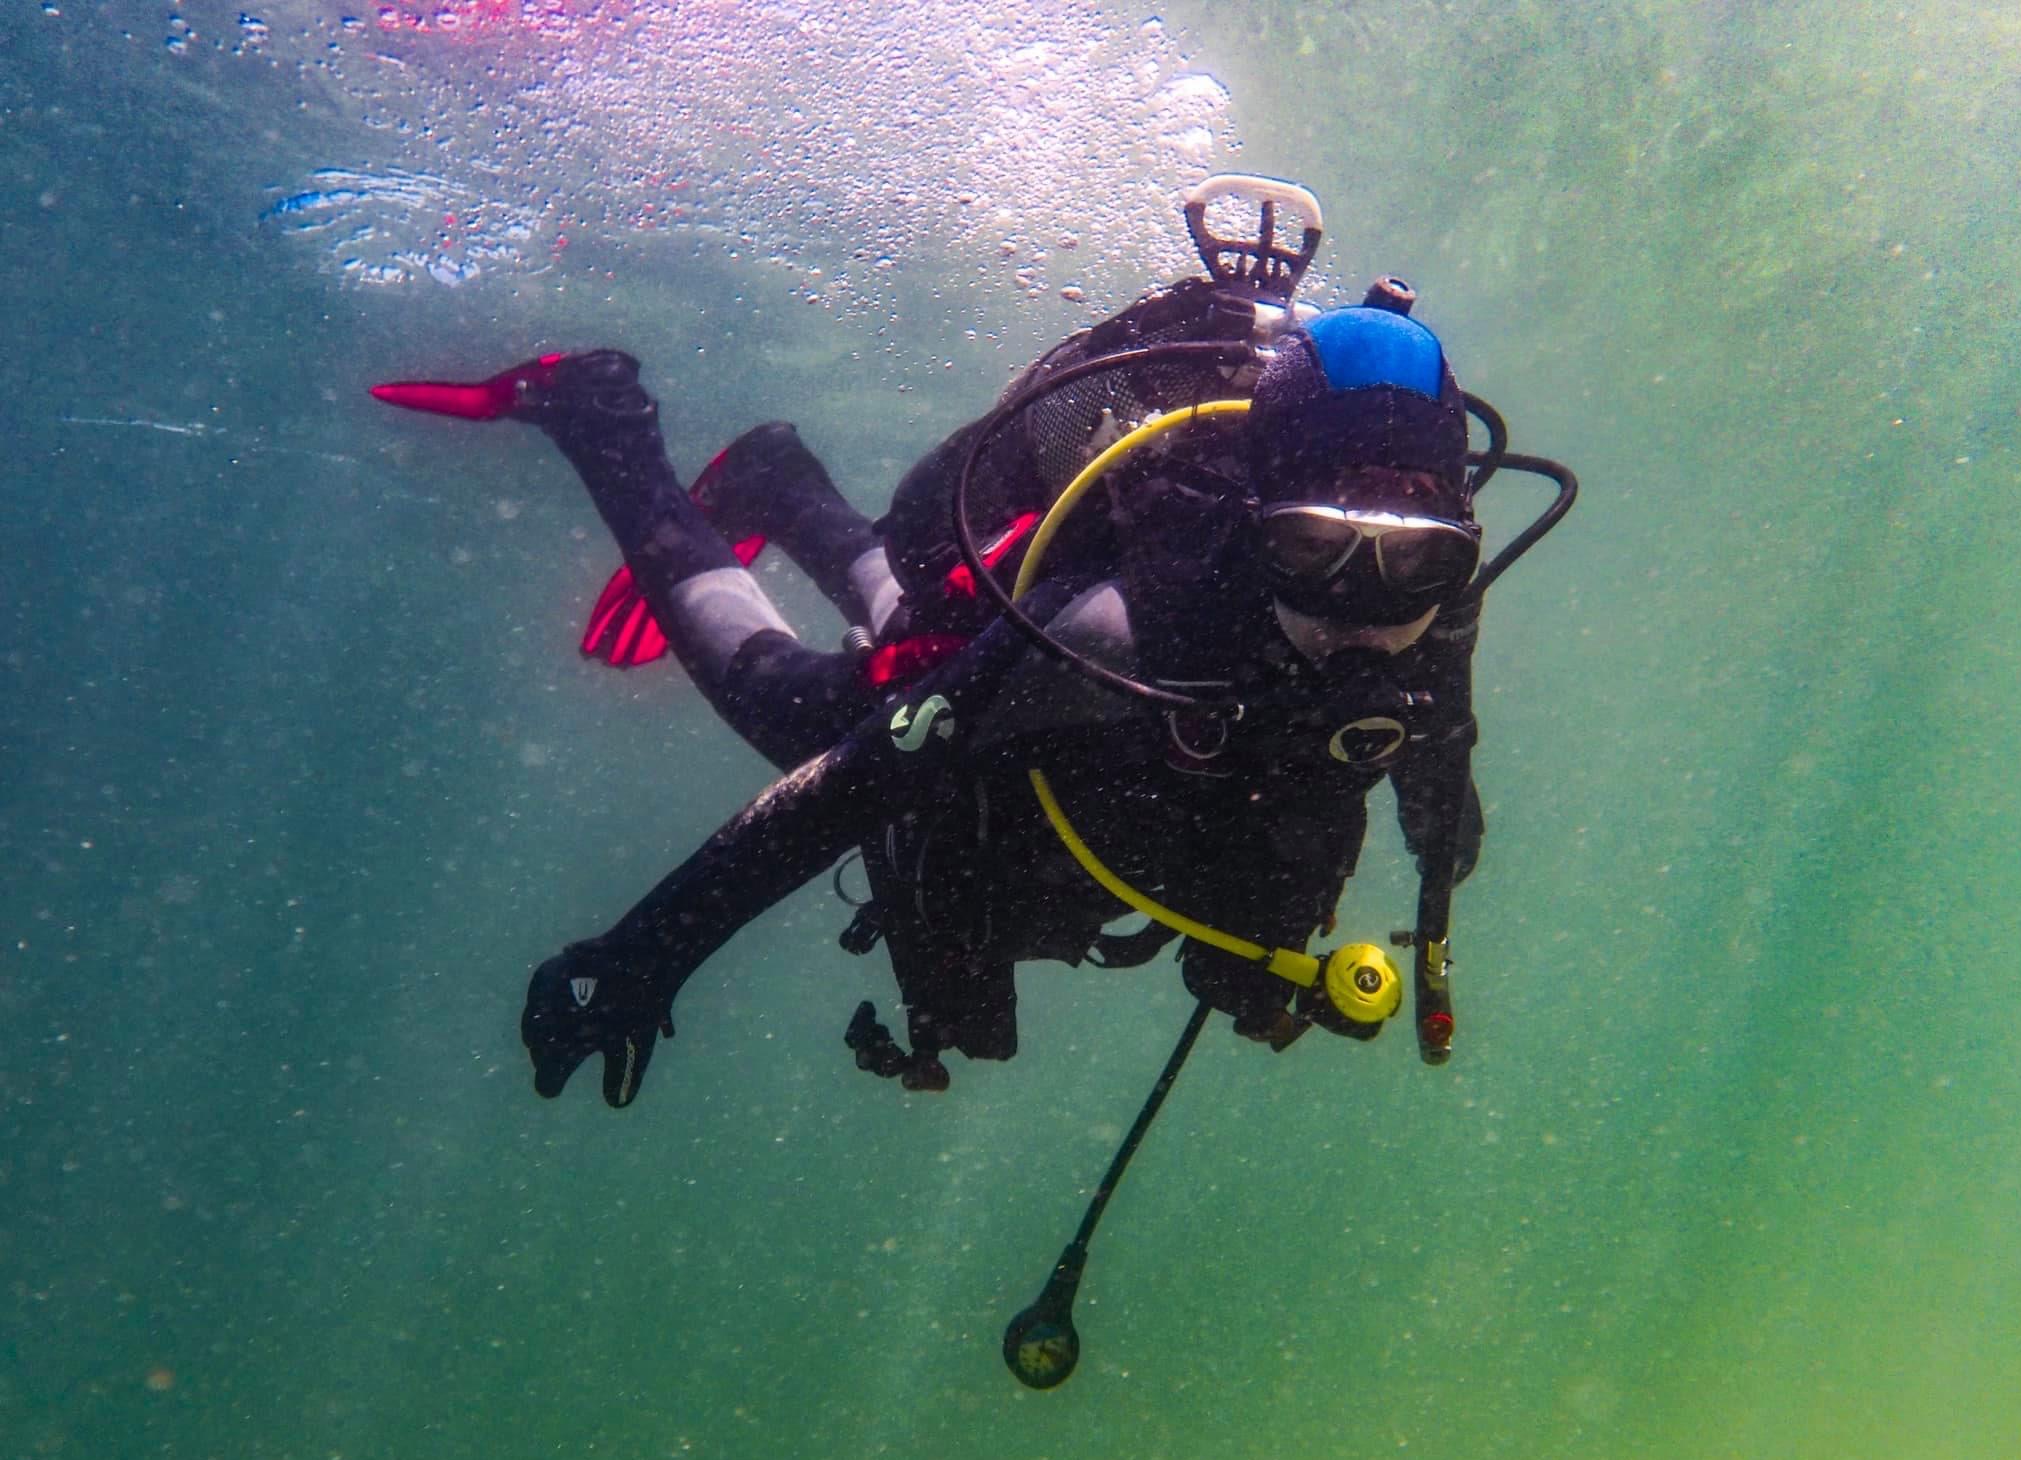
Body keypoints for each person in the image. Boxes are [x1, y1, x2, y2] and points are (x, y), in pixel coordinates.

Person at [371, 175, 1574, 1108]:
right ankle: (602, 414)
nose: (1366, 605)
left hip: (1075, 721)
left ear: (1458, 542)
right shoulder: (1117, 627)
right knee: (791, 703)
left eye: (1416, 563)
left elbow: (1437, 752)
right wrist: (644, 955)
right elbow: (846, 789)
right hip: (1008, 651)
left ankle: (782, 483)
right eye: (1317, 549)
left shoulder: (1435, 607)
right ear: (1258, 528)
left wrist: (1437, 842)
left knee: (908, 634)